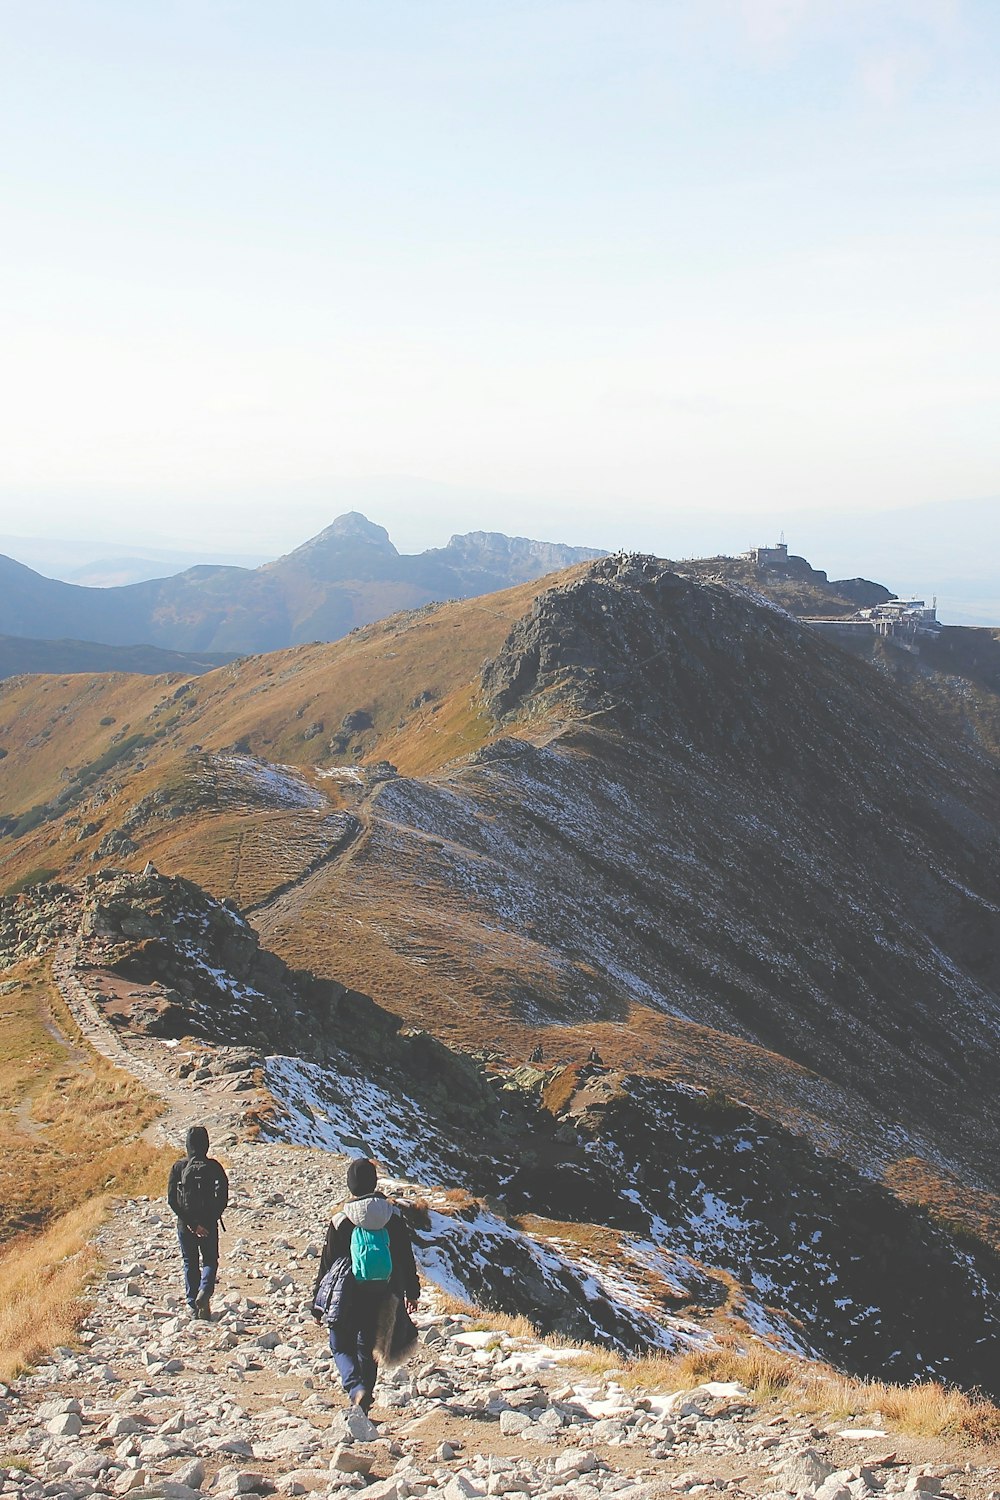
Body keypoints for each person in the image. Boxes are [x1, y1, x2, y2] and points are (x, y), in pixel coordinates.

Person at [312, 1158, 420, 1416]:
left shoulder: (341, 1220)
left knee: (340, 1344)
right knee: (368, 1345)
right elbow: (405, 1256)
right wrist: (412, 1292)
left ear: (351, 1185)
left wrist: (316, 1303)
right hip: (385, 1290)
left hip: (348, 1291)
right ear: (374, 1182)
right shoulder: (393, 1215)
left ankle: (354, 1387)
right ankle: (366, 1398)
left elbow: (327, 1264)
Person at [167, 1125, 229, 1320]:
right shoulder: (214, 1167)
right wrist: (208, 1222)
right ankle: (205, 1291)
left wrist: (192, 1224)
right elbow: (223, 1197)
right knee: (210, 1260)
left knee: (190, 1262)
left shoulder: (179, 1167)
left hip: (185, 1225)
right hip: (209, 1224)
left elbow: (171, 1199)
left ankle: (192, 1304)